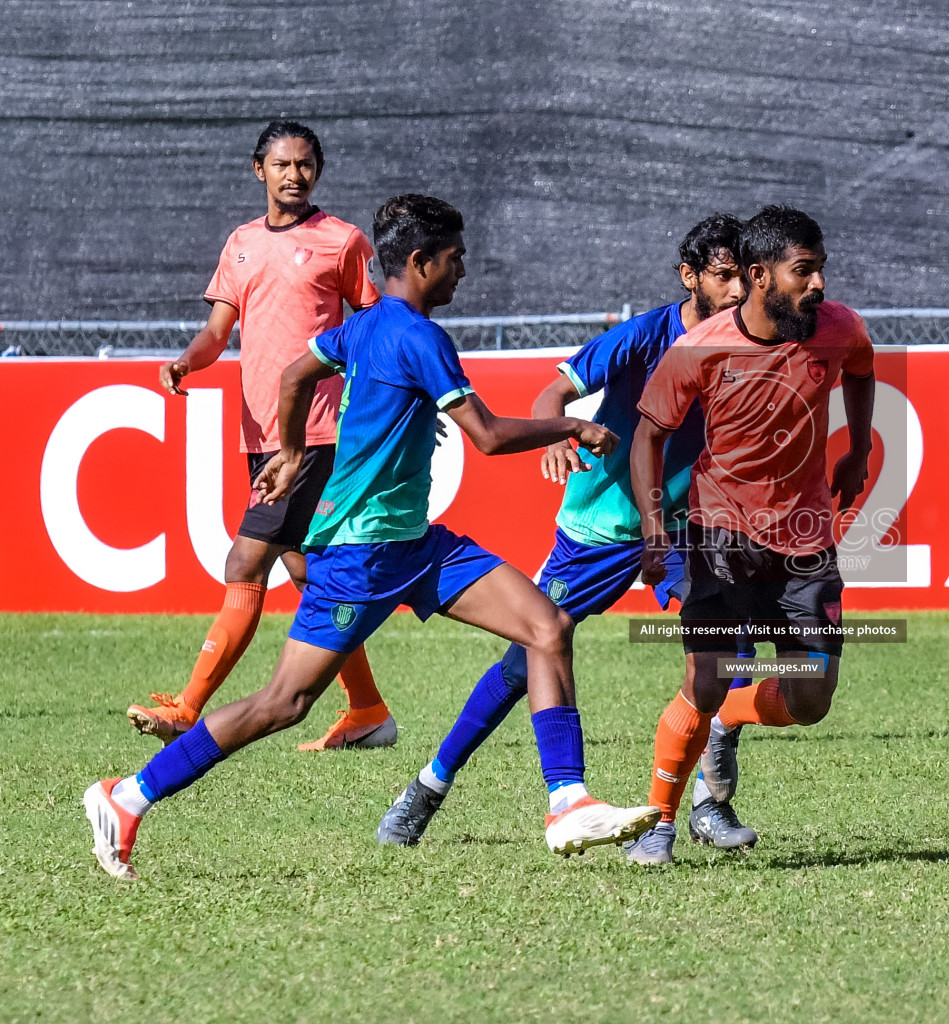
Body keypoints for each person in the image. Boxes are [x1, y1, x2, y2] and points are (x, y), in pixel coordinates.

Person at [84, 195, 659, 880]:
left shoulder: (364, 326)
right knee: (283, 705)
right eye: (455, 258)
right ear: (419, 262)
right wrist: (572, 426)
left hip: (412, 544)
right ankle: (126, 797)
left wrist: (293, 451)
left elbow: (296, 374)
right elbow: (487, 436)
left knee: (546, 625)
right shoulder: (419, 336)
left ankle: (567, 802)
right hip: (360, 555)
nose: (464, 271)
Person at [375, 214, 760, 850]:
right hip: (605, 525)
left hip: (691, 523)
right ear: (690, 277)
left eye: (744, 278)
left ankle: (707, 805)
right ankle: (428, 787)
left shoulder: (750, 344)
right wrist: (555, 441)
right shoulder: (642, 337)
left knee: (731, 656)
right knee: (529, 656)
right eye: (723, 278)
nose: (738, 293)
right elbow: (552, 396)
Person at [128, 120, 396, 751]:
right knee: (311, 573)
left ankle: (188, 709)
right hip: (262, 436)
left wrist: (386, 400)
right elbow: (218, 332)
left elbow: (378, 325)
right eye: (282, 165)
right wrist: (188, 361)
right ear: (260, 171)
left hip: (317, 436)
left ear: (317, 172)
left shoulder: (341, 241)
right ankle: (367, 709)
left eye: (305, 164)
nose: (294, 174)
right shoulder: (241, 244)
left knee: (246, 561)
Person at [624, 206, 876, 865]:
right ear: (760, 276)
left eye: (821, 269)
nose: (818, 284)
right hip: (719, 536)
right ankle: (659, 823)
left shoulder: (838, 327)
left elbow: (862, 365)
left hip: (804, 542)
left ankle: (732, 714)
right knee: (701, 680)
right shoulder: (701, 347)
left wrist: (857, 452)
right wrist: (655, 528)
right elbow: (648, 435)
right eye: (804, 271)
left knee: (811, 698)